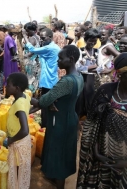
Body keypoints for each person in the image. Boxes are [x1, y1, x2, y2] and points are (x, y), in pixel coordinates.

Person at [31, 45, 84, 189]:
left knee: (59, 154)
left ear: (71, 59)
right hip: (70, 117)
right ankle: (57, 178)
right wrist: (52, 103)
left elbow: (43, 101)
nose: (58, 61)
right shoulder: (78, 76)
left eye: (61, 58)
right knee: (65, 153)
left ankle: (59, 184)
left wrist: (27, 96)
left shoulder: (66, 81)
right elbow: (63, 99)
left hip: (61, 122)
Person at [77, 53, 127, 189]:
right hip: (101, 159)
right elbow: (91, 124)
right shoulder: (105, 91)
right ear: (121, 74)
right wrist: (96, 152)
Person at [22, 28, 60, 128]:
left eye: (43, 38)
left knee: (44, 105)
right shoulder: (51, 47)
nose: (42, 41)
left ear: (50, 37)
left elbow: (32, 49)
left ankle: (45, 127)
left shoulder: (50, 48)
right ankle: (46, 125)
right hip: (49, 80)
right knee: (46, 105)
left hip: (48, 81)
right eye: (41, 38)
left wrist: (25, 36)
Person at [6, 72, 31, 189]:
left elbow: (25, 130)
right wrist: (26, 113)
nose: (6, 87)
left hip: (18, 142)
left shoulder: (18, 105)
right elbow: (38, 103)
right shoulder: (25, 96)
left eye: (8, 85)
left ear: (16, 88)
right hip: (23, 141)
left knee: (17, 169)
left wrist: (11, 139)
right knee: (20, 168)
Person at [76, 28, 100, 118]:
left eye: (95, 41)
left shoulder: (97, 51)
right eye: (91, 41)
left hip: (92, 79)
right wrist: (92, 67)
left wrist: (89, 68)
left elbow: (100, 67)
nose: (93, 43)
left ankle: (88, 119)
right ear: (86, 40)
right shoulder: (80, 51)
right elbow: (78, 67)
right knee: (80, 98)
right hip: (82, 78)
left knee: (90, 97)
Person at [23, 22, 41, 94]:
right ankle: (35, 95)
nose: (26, 32)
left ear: (32, 30)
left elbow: (31, 53)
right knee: (35, 80)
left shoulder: (31, 38)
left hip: (31, 62)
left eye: (27, 30)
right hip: (36, 61)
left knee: (30, 80)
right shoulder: (37, 37)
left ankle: (31, 97)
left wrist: (21, 57)